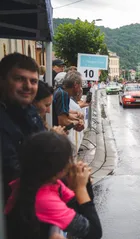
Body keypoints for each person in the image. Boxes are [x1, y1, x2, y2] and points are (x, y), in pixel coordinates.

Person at [5, 131, 102, 239]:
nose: (71, 164)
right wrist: (80, 189)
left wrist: (83, 184)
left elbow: (74, 204)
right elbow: (93, 232)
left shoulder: (35, 180)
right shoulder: (44, 199)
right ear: (59, 170)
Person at [0, 53, 47, 202]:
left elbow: (46, 148)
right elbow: (12, 170)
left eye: (33, 81)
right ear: (2, 80)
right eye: (19, 79)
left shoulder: (29, 110)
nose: (28, 86)